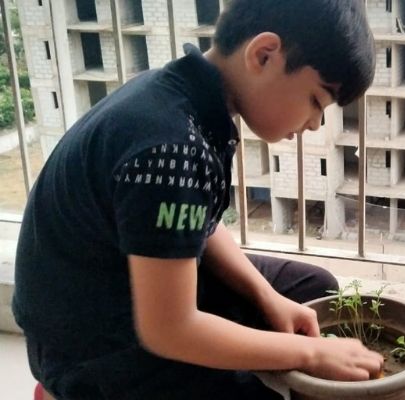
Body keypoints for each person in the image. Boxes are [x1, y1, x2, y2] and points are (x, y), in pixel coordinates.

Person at [12, 0, 382, 398]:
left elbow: (195, 223)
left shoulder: (183, 98)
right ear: (264, 55)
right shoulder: (169, 146)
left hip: (140, 284)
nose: (315, 123)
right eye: (316, 101)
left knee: (312, 290)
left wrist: (267, 296)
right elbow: (169, 330)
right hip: (92, 343)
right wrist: (310, 353)